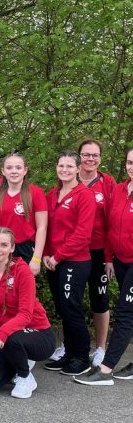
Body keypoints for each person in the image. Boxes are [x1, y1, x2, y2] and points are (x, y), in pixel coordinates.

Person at [74, 147, 133, 386]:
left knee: (126, 312)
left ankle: (106, 370)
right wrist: (108, 257)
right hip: (120, 260)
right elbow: (110, 226)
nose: (132, 167)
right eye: (130, 162)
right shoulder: (119, 189)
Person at [0, 227, 55, 398]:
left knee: (13, 339)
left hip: (38, 333)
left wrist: (2, 332)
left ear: (12, 248)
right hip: (8, 334)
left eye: (4, 245)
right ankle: (17, 360)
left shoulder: (22, 271)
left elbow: (25, 315)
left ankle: (25, 376)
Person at [43, 151, 94, 376]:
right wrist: (47, 254)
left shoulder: (85, 195)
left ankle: (82, 357)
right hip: (53, 261)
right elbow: (45, 228)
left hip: (74, 260)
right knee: (62, 308)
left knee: (71, 309)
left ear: (78, 169)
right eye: (61, 166)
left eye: (69, 166)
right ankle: (69, 353)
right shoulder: (52, 194)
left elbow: (82, 234)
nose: (64, 170)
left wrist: (58, 256)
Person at [76, 139, 116, 367]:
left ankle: (100, 348)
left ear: (100, 158)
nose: (90, 159)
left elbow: (113, 221)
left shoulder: (107, 182)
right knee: (70, 300)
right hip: (74, 250)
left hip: (99, 250)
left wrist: (109, 257)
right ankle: (72, 344)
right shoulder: (69, 177)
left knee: (99, 299)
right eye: (86, 154)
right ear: (79, 156)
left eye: (94, 155)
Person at [0, 153, 47, 275]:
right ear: (3, 171)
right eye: (9, 167)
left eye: (18, 167)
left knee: (23, 284)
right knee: (2, 283)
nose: (14, 171)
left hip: (26, 248)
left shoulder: (35, 192)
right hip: (2, 248)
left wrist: (36, 258)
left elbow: (42, 228)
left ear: (25, 170)